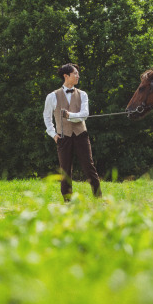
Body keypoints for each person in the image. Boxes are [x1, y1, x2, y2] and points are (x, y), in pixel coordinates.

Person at [43, 63, 102, 201]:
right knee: (65, 170)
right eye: (75, 73)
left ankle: (98, 198)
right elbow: (46, 116)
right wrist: (53, 134)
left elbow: (84, 115)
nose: (78, 76)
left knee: (89, 167)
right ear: (66, 76)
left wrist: (70, 115)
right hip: (63, 137)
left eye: (77, 73)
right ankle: (67, 201)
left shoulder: (83, 94)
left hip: (81, 135)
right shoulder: (52, 96)